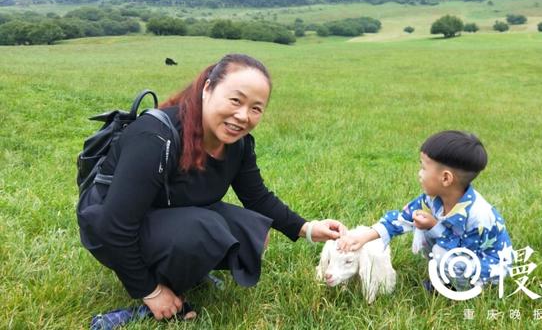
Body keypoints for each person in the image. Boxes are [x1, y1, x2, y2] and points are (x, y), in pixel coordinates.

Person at [77, 53, 346, 321]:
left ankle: (182, 269)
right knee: (203, 229)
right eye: (235, 100)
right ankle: (150, 298)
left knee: (254, 230)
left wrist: (307, 228)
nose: (243, 116)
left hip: (160, 218)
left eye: (255, 108)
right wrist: (149, 291)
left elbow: (257, 198)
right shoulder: (154, 138)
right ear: (208, 89)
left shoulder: (237, 145)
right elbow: (113, 225)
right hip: (108, 228)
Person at [337, 130, 512, 291]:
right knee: (431, 237)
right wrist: (363, 237)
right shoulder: (432, 198)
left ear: (445, 178)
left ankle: (456, 288)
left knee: (441, 250)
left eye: (423, 168)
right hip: (456, 254)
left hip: (487, 265)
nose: (419, 174)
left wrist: (435, 227)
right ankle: (445, 275)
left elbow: (462, 254)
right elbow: (401, 219)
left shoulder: (478, 217)